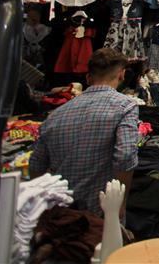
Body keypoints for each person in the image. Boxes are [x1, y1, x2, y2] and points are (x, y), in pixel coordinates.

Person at [30, 48, 138, 217]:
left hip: (62, 213)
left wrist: (46, 202)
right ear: (122, 75)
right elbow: (125, 157)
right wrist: (120, 203)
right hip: (102, 211)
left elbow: (36, 165)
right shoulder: (125, 107)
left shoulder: (56, 114)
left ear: (88, 78)